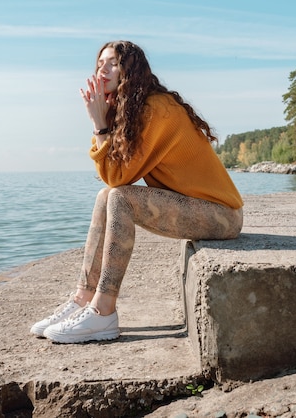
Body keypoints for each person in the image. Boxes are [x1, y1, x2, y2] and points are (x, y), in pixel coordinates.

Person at [30, 40, 243, 344]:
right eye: (99, 64)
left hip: (222, 216)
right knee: (106, 197)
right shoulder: (132, 110)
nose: (102, 69)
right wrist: (104, 123)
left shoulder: (156, 109)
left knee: (118, 198)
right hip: (199, 209)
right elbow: (110, 181)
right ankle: (82, 299)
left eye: (113, 63)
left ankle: (103, 314)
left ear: (131, 71)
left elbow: (116, 179)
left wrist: (98, 126)